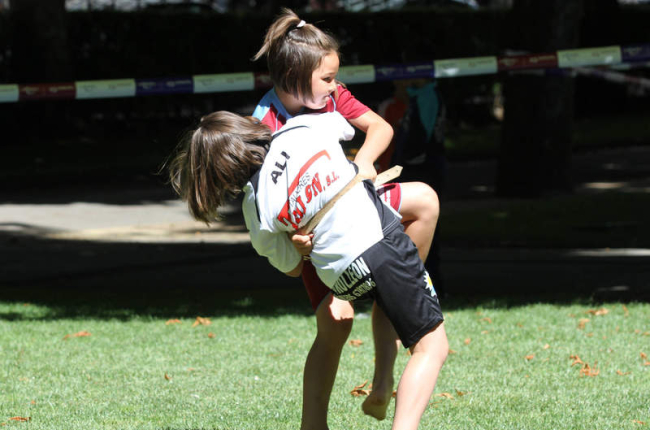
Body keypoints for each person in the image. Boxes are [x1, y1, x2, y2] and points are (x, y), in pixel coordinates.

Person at [168, 110, 448, 430]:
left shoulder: (255, 207)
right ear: (247, 128)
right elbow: (345, 129)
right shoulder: (298, 128)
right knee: (431, 348)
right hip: (378, 243)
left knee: (391, 297)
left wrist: (300, 242)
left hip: (341, 277)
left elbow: (291, 267)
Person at [251, 9, 441, 428]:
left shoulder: (328, 94)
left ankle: (383, 379)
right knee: (336, 323)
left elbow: (379, 129)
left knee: (424, 202)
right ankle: (312, 424)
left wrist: (366, 161)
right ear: (292, 79)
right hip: (316, 240)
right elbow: (266, 214)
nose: (336, 86)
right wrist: (296, 244)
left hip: (357, 207)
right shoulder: (261, 129)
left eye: (336, 77)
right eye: (328, 79)